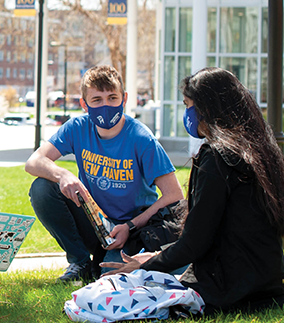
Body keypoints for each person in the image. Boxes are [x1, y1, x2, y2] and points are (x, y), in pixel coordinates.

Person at [101, 67, 284, 314]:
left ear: (206, 108)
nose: (186, 114)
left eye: (187, 105)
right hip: (268, 287)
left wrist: (147, 265)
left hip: (227, 290)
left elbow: (196, 242)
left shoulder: (217, 158)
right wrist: (156, 256)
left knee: (104, 293)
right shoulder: (261, 151)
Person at [25, 65, 184, 283]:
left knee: (110, 277)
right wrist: (63, 175)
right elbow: (34, 162)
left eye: (112, 98)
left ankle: (100, 262)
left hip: (133, 229)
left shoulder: (142, 138)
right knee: (42, 188)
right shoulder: (77, 127)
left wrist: (130, 226)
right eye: (97, 100)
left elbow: (174, 195)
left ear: (124, 99)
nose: (105, 105)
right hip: (94, 221)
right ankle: (80, 262)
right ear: (84, 104)